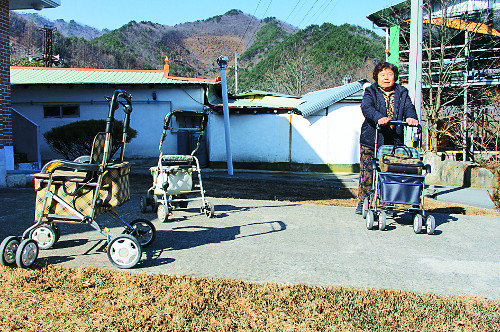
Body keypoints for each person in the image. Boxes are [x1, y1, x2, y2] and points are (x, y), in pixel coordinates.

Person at [355, 61, 419, 215]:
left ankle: (387, 203)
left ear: (395, 77)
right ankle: (364, 201)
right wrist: (379, 117)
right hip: (372, 138)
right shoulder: (371, 91)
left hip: (393, 141)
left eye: (389, 74)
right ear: (376, 77)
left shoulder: (402, 92)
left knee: (390, 172)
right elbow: (367, 108)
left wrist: (411, 117)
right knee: (368, 171)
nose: (386, 78)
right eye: (382, 74)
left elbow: (409, 107)